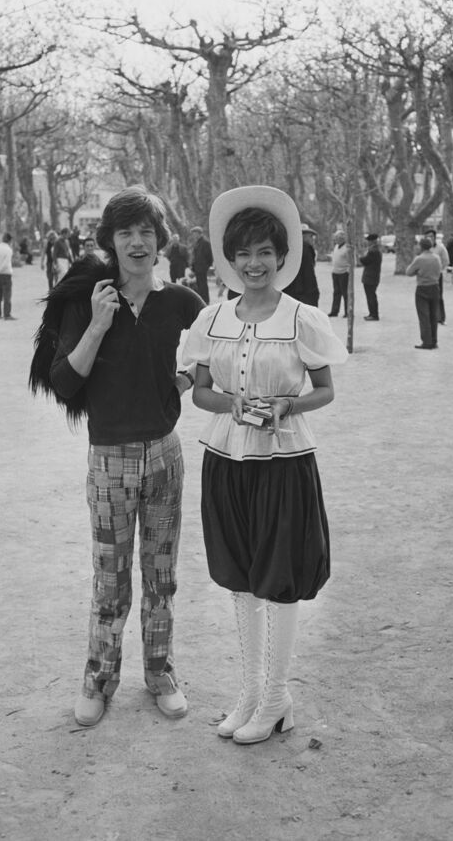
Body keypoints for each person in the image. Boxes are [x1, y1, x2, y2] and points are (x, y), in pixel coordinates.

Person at [29, 188, 204, 728]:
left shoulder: (182, 302)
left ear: (160, 241)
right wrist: (99, 326)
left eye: (147, 231)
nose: (137, 241)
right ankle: (98, 680)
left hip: (165, 457)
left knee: (162, 576)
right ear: (110, 241)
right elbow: (61, 382)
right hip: (108, 460)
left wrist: (177, 385)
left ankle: (160, 672)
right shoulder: (88, 300)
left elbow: (213, 359)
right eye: (126, 232)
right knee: (110, 579)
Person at [182, 185, 347, 746]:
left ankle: (278, 699)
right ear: (230, 259)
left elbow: (325, 390)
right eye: (243, 254)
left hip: (284, 459)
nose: (254, 264)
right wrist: (229, 402)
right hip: (226, 457)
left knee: (277, 578)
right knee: (240, 578)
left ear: (282, 257)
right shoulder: (212, 318)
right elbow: (200, 393)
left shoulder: (303, 318)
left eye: (265, 253)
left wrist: (287, 403)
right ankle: (252, 693)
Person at [406, 236, 442, 349]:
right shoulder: (436, 258)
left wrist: (418, 272)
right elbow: (439, 271)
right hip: (435, 287)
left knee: (424, 316)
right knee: (433, 315)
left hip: (422, 288)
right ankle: (434, 340)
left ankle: (426, 341)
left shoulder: (419, 259)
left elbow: (409, 272)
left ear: (421, 246)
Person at [284, 223, 320, 307]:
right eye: (310, 236)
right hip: (303, 292)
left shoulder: (289, 246)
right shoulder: (306, 248)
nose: (312, 239)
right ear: (302, 236)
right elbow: (309, 274)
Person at [424, 228, 449, 324]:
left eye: (431, 236)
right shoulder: (424, 248)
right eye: (427, 236)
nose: (429, 238)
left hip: (437, 275)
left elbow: (446, 260)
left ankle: (441, 318)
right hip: (426, 276)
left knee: (438, 296)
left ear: (434, 237)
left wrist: (439, 270)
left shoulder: (440, 248)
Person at [0, 232, 16, 320]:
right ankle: (7, 314)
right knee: (7, 295)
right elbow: (6, 264)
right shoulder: (8, 250)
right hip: (5, 274)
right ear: (10, 240)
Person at [359, 233, 382, 320]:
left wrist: (360, 257)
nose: (367, 242)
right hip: (373, 277)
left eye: (368, 241)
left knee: (371, 296)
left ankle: (374, 315)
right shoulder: (375, 250)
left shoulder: (373, 251)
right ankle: (372, 313)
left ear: (372, 241)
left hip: (370, 277)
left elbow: (366, 261)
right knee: (371, 296)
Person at [189, 226, 213, 303]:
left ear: (199, 233)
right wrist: (193, 268)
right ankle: (202, 301)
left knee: (203, 286)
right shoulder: (197, 243)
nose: (193, 235)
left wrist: (205, 267)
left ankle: (206, 301)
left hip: (202, 268)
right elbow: (195, 257)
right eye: (193, 234)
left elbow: (209, 257)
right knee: (199, 285)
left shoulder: (205, 243)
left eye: (194, 233)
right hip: (197, 268)